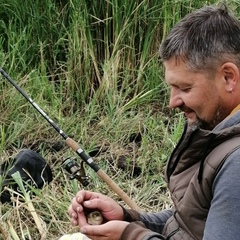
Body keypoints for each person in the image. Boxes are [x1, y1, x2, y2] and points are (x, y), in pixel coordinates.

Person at [68, 4, 240, 240]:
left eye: (184, 88)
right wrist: (128, 218)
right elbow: (188, 222)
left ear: (228, 77)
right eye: (172, 87)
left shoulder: (236, 163)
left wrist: (131, 236)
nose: (172, 102)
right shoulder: (219, 132)